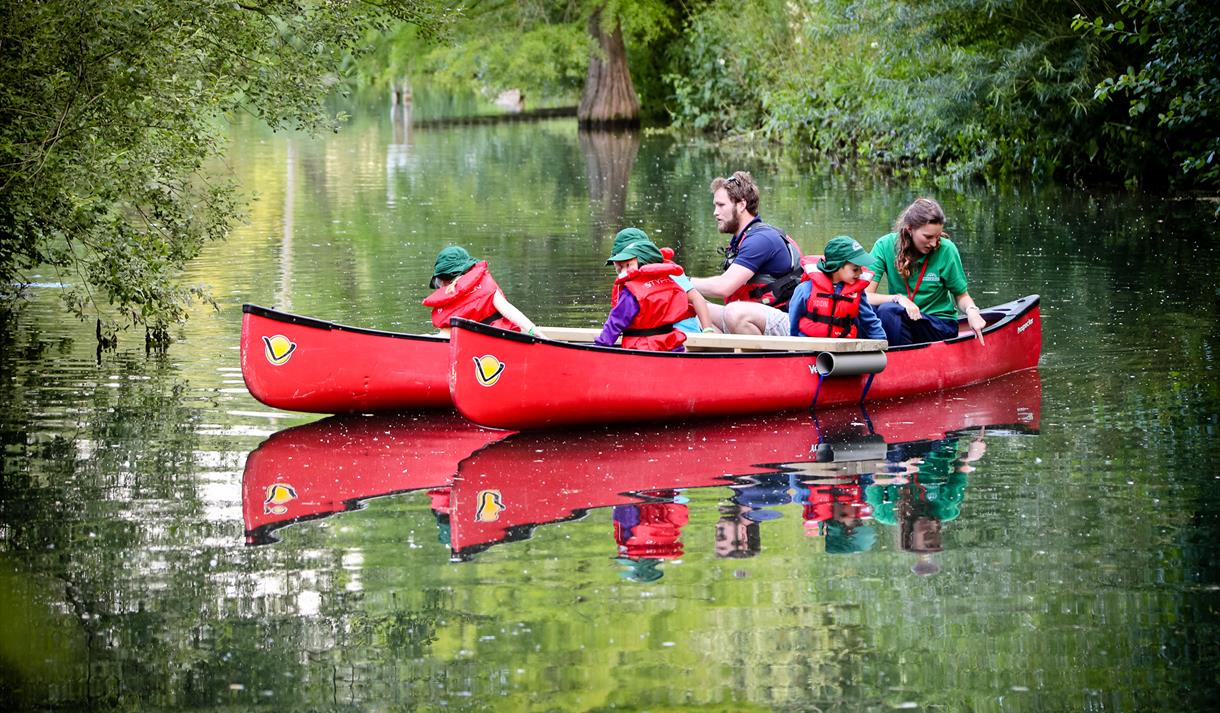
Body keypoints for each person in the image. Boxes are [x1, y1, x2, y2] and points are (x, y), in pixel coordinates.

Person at [689, 171, 803, 336]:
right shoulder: (741, 239)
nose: (715, 212)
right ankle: (723, 359)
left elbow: (724, 287)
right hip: (759, 317)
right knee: (697, 311)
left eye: (721, 205)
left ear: (741, 205)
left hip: (788, 322)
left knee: (734, 312)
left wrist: (684, 282)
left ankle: (759, 361)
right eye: (715, 205)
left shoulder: (760, 239)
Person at [865, 198, 987, 347]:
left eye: (937, 236)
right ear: (910, 228)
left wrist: (972, 311)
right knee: (871, 310)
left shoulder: (947, 249)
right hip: (901, 318)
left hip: (939, 325)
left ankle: (898, 362)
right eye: (928, 237)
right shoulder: (884, 245)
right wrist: (898, 298)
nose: (934, 243)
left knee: (888, 311)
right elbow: (865, 296)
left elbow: (961, 296)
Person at [595, 228, 713, 351]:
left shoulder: (658, 278)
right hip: (671, 341)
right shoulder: (663, 273)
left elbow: (618, 319)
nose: (620, 269)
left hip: (682, 337)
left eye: (623, 263)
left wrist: (708, 332)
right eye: (618, 265)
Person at [422, 246, 544, 338]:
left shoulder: (485, 289)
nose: (441, 286)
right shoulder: (484, 287)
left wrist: (533, 331)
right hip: (476, 344)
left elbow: (509, 311)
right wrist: (533, 330)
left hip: (494, 341)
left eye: (440, 282)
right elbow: (510, 311)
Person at [789, 235, 886, 341]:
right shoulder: (805, 289)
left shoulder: (857, 292)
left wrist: (881, 342)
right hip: (809, 346)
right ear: (837, 266)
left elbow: (869, 321)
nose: (860, 273)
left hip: (843, 348)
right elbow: (794, 319)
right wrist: (794, 345)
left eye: (860, 268)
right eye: (855, 269)